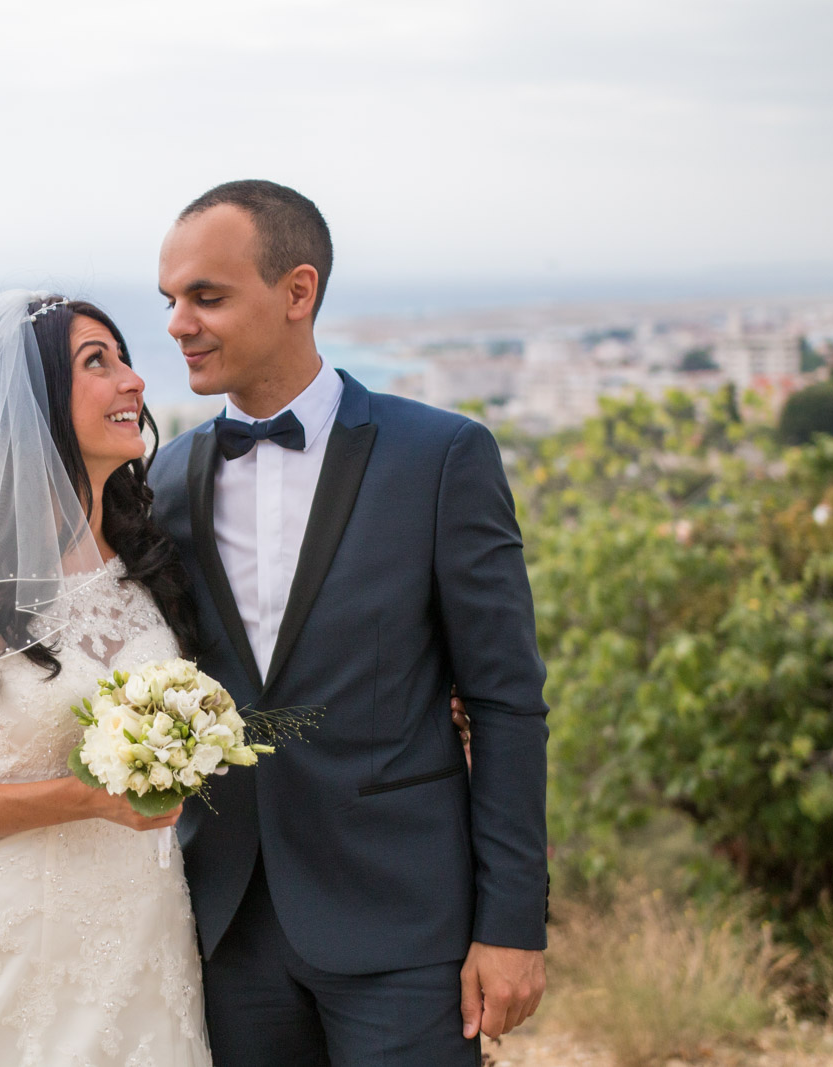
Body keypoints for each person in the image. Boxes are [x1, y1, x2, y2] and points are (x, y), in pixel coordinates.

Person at [150, 180, 550, 1066]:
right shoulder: (164, 480)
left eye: (207, 297)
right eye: (171, 300)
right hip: (227, 927)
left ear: (298, 292)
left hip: (404, 927)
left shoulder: (442, 457)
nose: (179, 323)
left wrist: (514, 922)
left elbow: (507, 701)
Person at [0, 290, 212, 1066]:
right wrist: (86, 801)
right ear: (37, 403)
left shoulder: (141, 557)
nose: (134, 382)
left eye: (124, 359)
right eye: (98, 362)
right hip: (18, 935)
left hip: (149, 929)